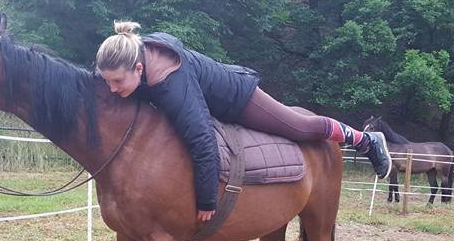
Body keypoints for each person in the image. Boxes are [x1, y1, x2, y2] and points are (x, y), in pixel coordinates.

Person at [96, 21, 392, 222]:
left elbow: (201, 140)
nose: (113, 89)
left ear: (138, 68)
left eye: (117, 82)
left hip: (238, 99)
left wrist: (207, 201)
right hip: (210, 97)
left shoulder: (170, 82)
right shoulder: (131, 57)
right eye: (107, 81)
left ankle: (365, 140)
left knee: (301, 127)